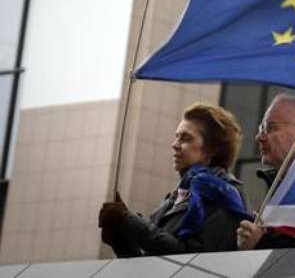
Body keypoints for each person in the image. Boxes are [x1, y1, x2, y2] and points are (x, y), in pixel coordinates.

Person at [99, 103, 253, 256]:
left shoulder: (226, 194)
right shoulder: (177, 196)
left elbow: (193, 261)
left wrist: (129, 221)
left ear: (212, 149)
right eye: (177, 137)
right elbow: (148, 266)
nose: (175, 145)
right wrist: (120, 240)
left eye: (185, 139)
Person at [236, 94, 295, 250]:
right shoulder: (279, 187)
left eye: (270, 127)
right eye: (261, 129)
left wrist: (260, 243)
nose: (259, 137)